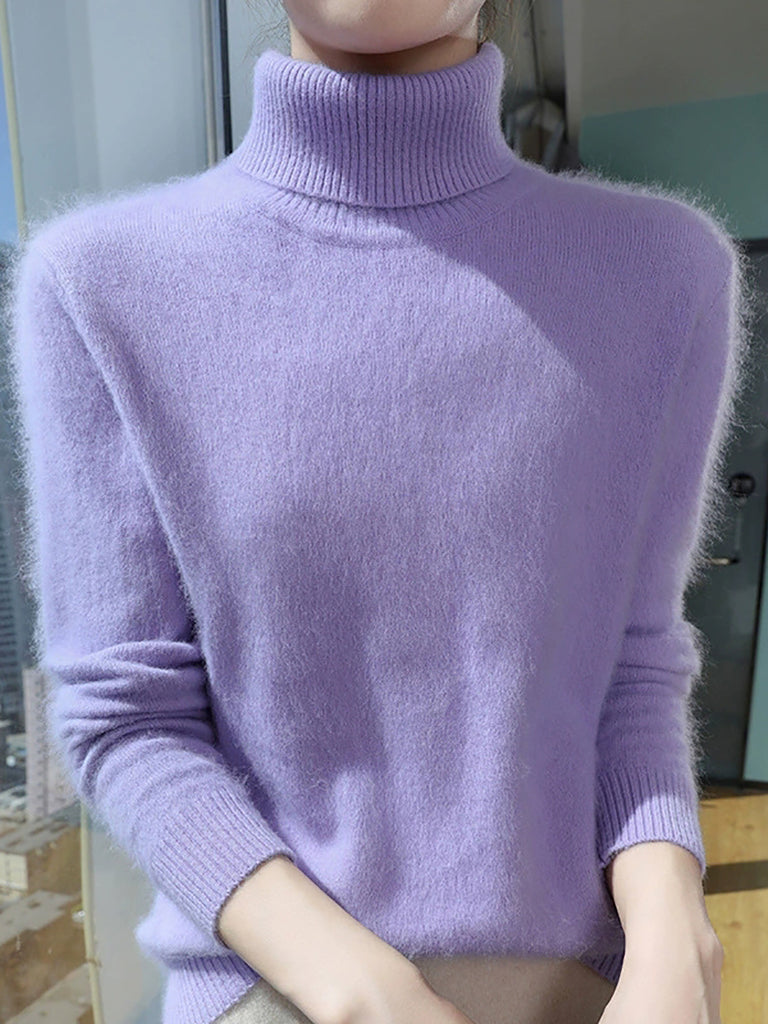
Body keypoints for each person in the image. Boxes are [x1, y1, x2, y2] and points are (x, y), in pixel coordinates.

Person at [8, 1, 751, 1023]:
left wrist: (673, 931)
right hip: (272, 992)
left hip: (593, 993)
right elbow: (126, 713)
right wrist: (362, 991)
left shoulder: (663, 271)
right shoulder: (98, 283)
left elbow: (631, 661)